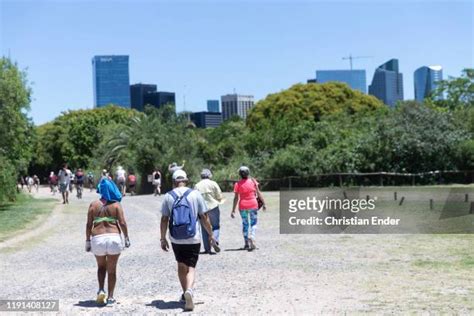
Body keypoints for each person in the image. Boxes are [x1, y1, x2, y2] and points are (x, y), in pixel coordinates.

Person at [160, 170, 215, 312]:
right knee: (191, 266)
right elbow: (203, 216)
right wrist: (210, 234)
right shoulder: (195, 194)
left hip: (176, 237)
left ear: (173, 181)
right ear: (186, 180)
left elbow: (164, 219)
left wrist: (162, 238)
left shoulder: (168, 196)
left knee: (181, 265)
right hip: (193, 237)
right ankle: (189, 290)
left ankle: (185, 294)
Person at [85, 178, 130, 306]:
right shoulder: (116, 205)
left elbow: (89, 224)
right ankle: (110, 297)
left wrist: (88, 241)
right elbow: (122, 223)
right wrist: (126, 238)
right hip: (114, 238)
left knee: (101, 267)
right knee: (112, 269)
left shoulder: (93, 205)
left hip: (98, 238)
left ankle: (100, 290)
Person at [231, 166, 266, 251]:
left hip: (242, 206)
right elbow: (259, 193)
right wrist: (264, 203)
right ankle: (252, 236)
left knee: (245, 224)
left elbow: (236, 198)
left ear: (240, 174)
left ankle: (246, 243)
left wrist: (233, 210)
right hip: (253, 204)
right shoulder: (253, 181)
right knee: (253, 223)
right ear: (248, 173)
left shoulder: (237, 184)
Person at [194, 169, 223, 254]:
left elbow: (195, 198)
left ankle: (207, 249)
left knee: (204, 228)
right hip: (213, 207)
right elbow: (219, 195)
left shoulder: (197, 185)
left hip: (202, 209)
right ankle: (215, 240)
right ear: (210, 175)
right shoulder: (213, 183)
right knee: (216, 226)